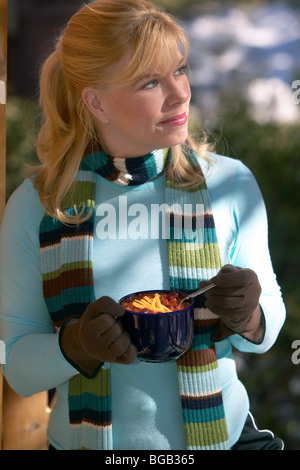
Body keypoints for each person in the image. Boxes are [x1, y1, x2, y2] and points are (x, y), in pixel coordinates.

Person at [0, 0, 285, 451]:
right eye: (151, 81)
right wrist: (75, 347)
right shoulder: (38, 207)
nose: (180, 93)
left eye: (180, 70)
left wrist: (248, 313)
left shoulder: (229, 182)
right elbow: (15, 365)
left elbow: (266, 332)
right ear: (95, 101)